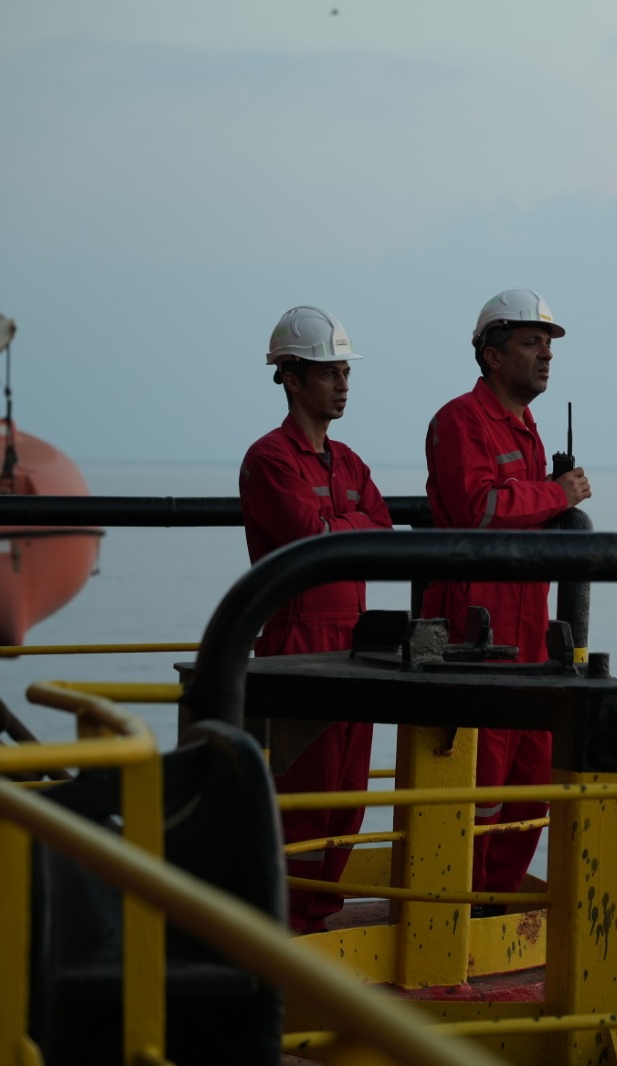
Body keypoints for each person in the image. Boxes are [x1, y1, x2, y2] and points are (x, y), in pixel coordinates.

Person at [423, 287, 592, 902]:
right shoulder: (460, 420)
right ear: (492, 356)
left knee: (529, 791)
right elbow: (480, 508)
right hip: (475, 634)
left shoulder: (526, 430)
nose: (546, 355)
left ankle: (492, 913)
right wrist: (558, 494)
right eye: (531, 343)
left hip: (527, 638)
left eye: (547, 345)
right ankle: (454, 921)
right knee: (479, 791)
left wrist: (550, 494)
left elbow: (511, 507)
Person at [240, 305, 393, 934]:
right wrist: (347, 527)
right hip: (297, 638)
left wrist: (338, 527)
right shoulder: (270, 459)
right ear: (291, 378)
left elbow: (381, 533)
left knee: (347, 799)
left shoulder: (348, 460)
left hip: (354, 643)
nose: (343, 384)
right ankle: (285, 929)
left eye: (345, 373)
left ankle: (318, 919)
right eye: (330, 373)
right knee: (302, 799)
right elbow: (310, 538)